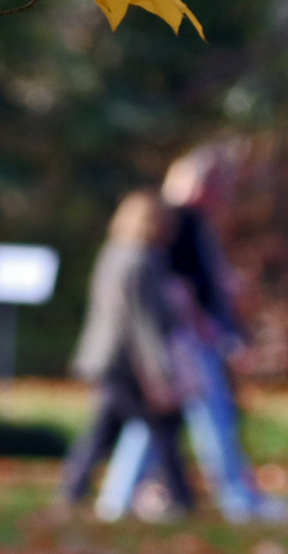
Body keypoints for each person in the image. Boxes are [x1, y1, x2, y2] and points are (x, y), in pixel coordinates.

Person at [97, 146, 288, 523]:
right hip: (185, 341)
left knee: (155, 424)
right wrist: (210, 330)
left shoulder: (191, 221)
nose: (219, 196)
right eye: (214, 185)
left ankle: (117, 499)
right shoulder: (174, 221)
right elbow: (174, 288)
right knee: (209, 420)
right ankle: (237, 499)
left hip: (189, 338)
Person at [60, 189, 195, 518]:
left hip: (106, 358)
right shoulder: (142, 261)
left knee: (102, 433)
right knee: (163, 427)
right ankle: (181, 500)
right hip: (129, 364)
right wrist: (162, 374)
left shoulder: (113, 254)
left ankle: (72, 494)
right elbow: (143, 325)